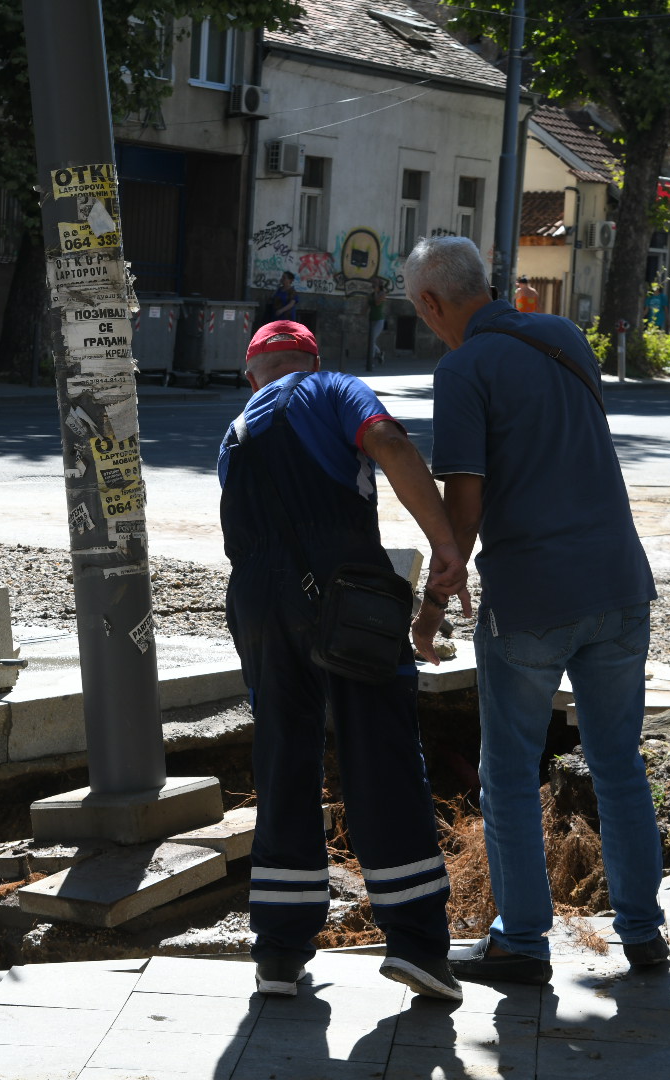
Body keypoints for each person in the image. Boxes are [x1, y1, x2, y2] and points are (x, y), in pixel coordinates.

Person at [403, 235, 668, 986]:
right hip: (619, 584)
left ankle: (521, 940)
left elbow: (464, 503)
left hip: (532, 599)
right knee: (619, 763)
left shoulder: (461, 370)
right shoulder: (560, 335)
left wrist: (430, 605)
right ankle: (644, 934)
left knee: (511, 772)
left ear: (430, 303)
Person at [218, 319, 471, 1003]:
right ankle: (417, 944)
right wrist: (445, 544)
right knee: (382, 756)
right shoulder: (332, 388)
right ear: (311, 359)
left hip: (260, 610)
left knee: (282, 764)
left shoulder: (235, 433)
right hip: (348, 603)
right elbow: (387, 440)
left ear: (252, 374)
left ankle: (278, 952)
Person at [367, 279, 388, 365]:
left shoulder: (382, 294)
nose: (373, 286)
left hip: (379, 320)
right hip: (371, 319)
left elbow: (377, 303)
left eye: (375, 284)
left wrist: (375, 293)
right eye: (373, 284)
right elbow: (368, 304)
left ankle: (370, 362)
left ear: (379, 286)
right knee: (370, 340)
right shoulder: (371, 294)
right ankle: (379, 353)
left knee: (372, 340)